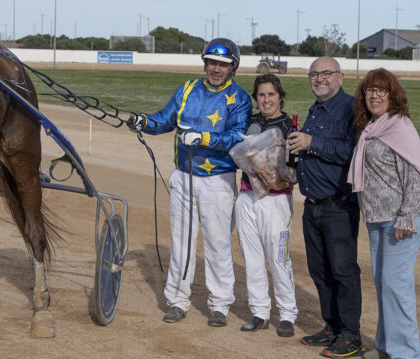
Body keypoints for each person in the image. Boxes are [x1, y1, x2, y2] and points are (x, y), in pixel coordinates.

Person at [127, 38, 251, 326]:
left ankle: (219, 304)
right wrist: (144, 121)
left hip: (217, 180)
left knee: (217, 243)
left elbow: (237, 137)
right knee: (181, 241)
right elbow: (165, 119)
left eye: (222, 64)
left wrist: (205, 138)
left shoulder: (240, 98)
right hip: (183, 177)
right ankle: (177, 301)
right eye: (211, 62)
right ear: (204, 63)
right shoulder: (187, 89)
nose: (216, 69)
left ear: (232, 67)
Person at [348, 69, 420, 359]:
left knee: (397, 284)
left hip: (402, 217)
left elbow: (413, 177)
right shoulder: (372, 127)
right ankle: (386, 346)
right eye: (370, 89)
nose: (375, 95)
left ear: (393, 95)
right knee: (384, 283)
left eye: (382, 90)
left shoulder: (399, 127)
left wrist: (405, 217)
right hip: (378, 217)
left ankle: (409, 353)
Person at [287, 56, 363, 358]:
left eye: (326, 73)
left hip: (339, 205)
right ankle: (332, 326)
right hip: (313, 205)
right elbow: (309, 148)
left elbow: (352, 152)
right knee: (320, 271)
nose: (319, 78)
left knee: (344, 272)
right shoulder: (316, 109)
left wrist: (311, 142)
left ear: (340, 77)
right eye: (314, 74)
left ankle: (351, 335)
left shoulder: (351, 109)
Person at [234, 74, 297, 337]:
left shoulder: (290, 125)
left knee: (279, 258)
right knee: (253, 258)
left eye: (271, 94)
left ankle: (287, 314)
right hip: (247, 196)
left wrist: (279, 175)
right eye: (261, 95)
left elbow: (294, 168)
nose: (266, 100)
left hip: (276, 200)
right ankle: (259, 311)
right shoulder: (250, 122)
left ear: (280, 96)